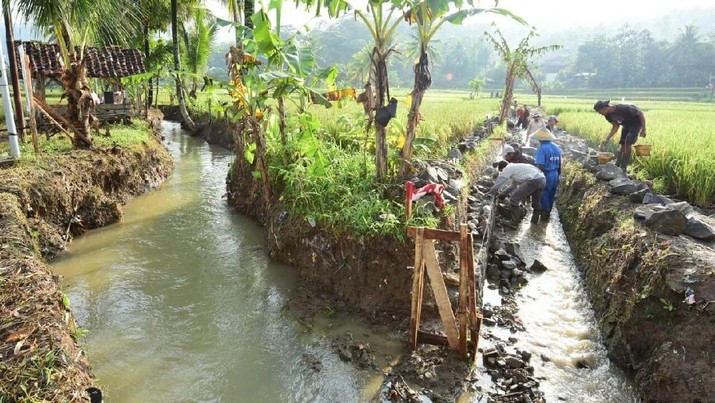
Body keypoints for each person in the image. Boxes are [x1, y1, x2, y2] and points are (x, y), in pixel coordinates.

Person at [487, 160, 546, 227]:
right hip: (542, 179)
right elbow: (513, 186)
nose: (502, 172)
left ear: (502, 168)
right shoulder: (515, 168)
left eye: (501, 171)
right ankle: (534, 222)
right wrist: (504, 193)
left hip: (534, 180)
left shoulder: (508, 168)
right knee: (536, 201)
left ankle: (514, 222)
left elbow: (500, 182)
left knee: (514, 198)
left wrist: (491, 193)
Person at [593, 99, 647, 173]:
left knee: (628, 142)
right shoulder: (608, 116)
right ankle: (618, 164)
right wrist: (607, 139)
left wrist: (643, 129)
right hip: (626, 124)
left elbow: (641, 114)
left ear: (604, 108)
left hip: (636, 123)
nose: (600, 114)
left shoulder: (622, 108)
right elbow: (615, 126)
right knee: (622, 143)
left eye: (599, 112)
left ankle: (624, 167)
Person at [533, 128, 562, 223]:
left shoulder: (541, 149)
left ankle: (544, 217)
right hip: (555, 174)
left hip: (546, 174)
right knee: (551, 194)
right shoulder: (557, 148)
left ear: (540, 139)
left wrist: (536, 178)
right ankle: (548, 214)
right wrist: (558, 176)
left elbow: (540, 166)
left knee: (543, 194)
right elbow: (560, 164)